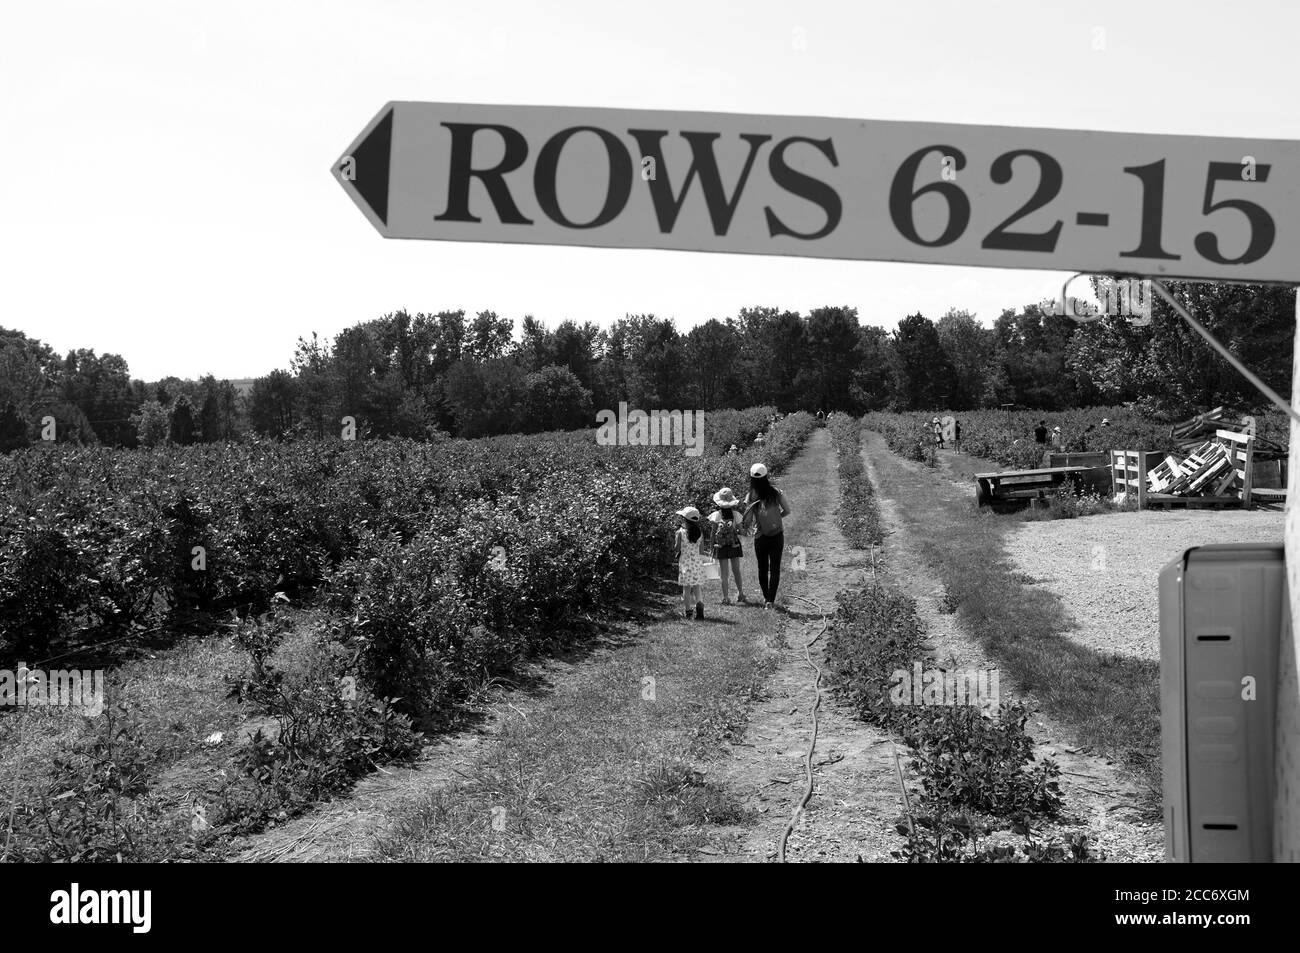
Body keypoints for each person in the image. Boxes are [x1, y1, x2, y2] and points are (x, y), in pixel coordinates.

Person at [742, 463, 792, 610]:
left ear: (752, 478)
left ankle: (766, 599)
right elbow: (787, 511)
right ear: (766, 476)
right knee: (775, 568)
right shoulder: (776, 492)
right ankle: (771, 599)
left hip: (760, 537)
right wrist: (776, 519)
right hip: (777, 535)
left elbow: (748, 520)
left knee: (762, 568)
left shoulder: (751, 495)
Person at [709, 487, 748, 605]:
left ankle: (726, 598)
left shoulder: (716, 515)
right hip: (734, 545)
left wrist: (711, 548)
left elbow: (712, 534)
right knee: (736, 571)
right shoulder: (736, 515)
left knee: (724, 574)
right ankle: (740, 594)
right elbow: (742, 532)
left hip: (721, 546)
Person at [673, 507, 708, 620]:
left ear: (684, 519)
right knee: (697, 587)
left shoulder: (680, 533)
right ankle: (700, 608)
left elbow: (677, 548)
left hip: (685, 564)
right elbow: (701, 551)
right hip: (696, 563)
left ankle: (688, 611)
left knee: (686, 589)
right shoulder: (699, 533)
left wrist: (676, 540)